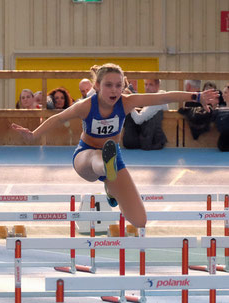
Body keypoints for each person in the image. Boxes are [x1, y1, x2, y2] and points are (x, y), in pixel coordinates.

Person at [12, 63, 218, 228]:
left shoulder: (127, 102)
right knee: (96, 158)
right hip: (85, 156)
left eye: (118, 85)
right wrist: (34, 135)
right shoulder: (85, 106)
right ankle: (107, 171)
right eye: (108, 85)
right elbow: (57, 119)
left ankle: (110, 182)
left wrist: (197, 97)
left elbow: (163, 97)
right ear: (97, 87)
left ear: (124, 86)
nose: (114, 90)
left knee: (139, 221)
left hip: (114, 157)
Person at [123, 79, 168, 150]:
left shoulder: (156, 100)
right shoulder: (159, 97)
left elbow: (138, 120)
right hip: (151, 137)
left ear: (158, 86)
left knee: (129, 115)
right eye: (146, 84)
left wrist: (130, 103)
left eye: (150, 84)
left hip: (151, 140)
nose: (147, 87)